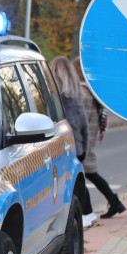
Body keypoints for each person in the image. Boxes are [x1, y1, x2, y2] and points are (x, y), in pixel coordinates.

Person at [72, 57, 126, 221]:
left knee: (80, 176)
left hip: (82, 141)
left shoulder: (81, 94)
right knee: (90, 174)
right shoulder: (91, 92)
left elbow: (81, 120)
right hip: (90, 138)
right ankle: (114, 202)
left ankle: (87, 212)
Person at [50, 56, 91, 224]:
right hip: (77, 147)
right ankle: (86, 214)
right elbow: (84, 126)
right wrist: (83, 150)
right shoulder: (76, 97)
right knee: (73, 185)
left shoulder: (55, 100)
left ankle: (84, 215)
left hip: (61, 150)